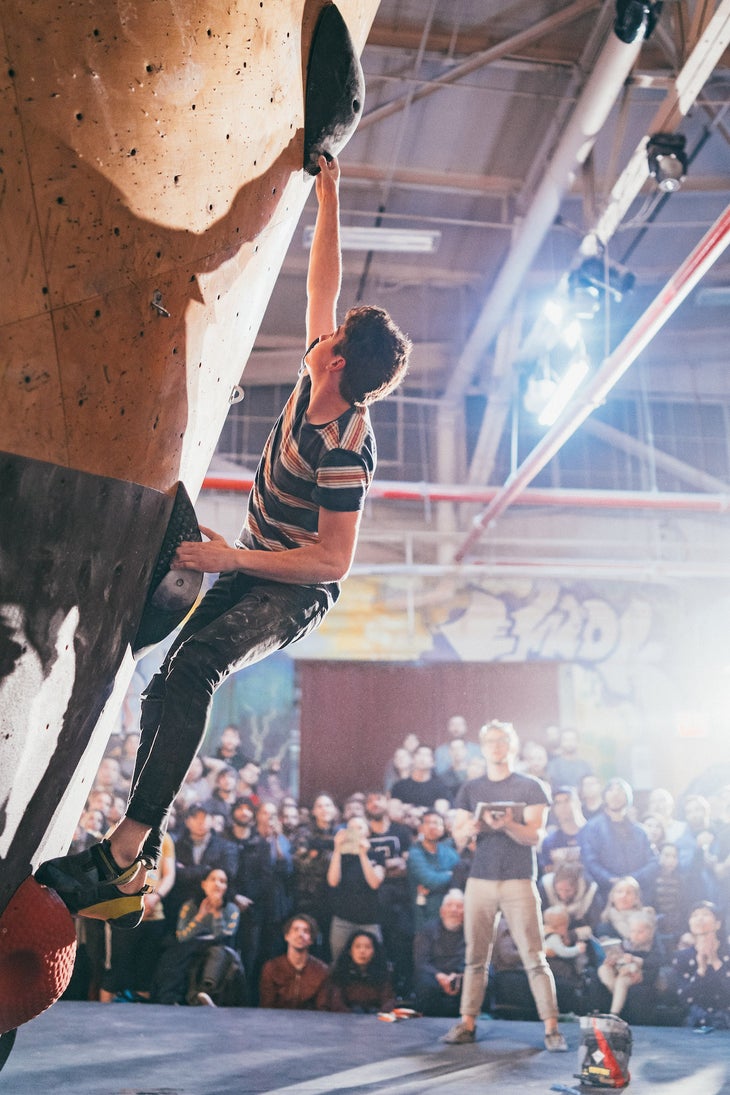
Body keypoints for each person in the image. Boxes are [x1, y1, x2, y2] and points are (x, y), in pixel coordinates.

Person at [35, 153, 412, 928]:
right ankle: (134, 861)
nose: (323, 329)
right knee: (163, 681)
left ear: (339, 362)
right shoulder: (321, 368)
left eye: (333, 335)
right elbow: (322, 281)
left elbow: (331, 560)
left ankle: (123, 850)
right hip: (252, 562)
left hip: (294, 588)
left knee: (197, 663)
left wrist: (229, 556)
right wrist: (329, 192)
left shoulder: (345, 443)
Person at [444, 720, 567, 1052]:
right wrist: (472, 826)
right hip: (480, 878)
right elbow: (457, 838)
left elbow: (535, 835)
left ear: (511, 746)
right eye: (490, 742)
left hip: (517, 879)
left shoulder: (531, 786)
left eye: (502, 741)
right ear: (482, 748)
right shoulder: (470, 789)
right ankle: (467, 1022)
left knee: (533, 955)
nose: (496, 747)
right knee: (475, 956)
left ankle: (552, 1027)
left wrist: (509, 823)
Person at [578, 777, 658, 905]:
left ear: (628, 797)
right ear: (604, 796)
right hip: (604, 895)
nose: (615, 794)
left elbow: (653, 861)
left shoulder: (640, 831)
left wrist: (632, 879)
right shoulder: (592, 828)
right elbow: (590, 862)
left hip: (638, 895)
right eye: (611, 790)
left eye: (620, 790)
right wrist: (611, 880)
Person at [327, 815, 385, 960]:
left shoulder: (376, 855)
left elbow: (375, 883)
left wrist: (363, 855)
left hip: (370, 919)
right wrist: (337, 849)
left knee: (374, 961)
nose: (355, 831)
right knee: (338, 961)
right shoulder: (341, 856)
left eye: (359, 827)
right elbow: (333, 881)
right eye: (351, 828)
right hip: (343, 919)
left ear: (368, 832)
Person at [673, 901, 730, 1029]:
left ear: (717, 923)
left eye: (705, 914)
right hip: (696, 1021)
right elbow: (684, 998)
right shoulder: (683, 956)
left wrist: (716, 962)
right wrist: (701, 970)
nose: (699, 919)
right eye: (694, 915)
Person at [413, 889, 466, 1017]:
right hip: (434, 975)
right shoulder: (427, 930)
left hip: (460, 975)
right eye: (449, 905)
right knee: (424, 981)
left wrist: (458, 976)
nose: (454, 910)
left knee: (481, 978)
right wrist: (439, 975)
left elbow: (475, 959)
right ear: (442, 911)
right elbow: (421, 961)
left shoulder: (472, 932)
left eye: (459, 906)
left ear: (465, 913)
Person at [258, 913, 328, 1009]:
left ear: (311, 940)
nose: (300, 934)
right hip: (277, 1021)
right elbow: (266, 1006)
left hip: (310, 1021)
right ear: (286, 936)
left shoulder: (321, 970)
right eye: (295, 930)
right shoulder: (271, 968)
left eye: (306, 931)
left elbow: (322, 1009)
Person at [317, 930, 396, 1013]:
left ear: (374, 952)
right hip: (344, 1020)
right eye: (357, 947)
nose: (362, 951)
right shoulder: (339, 972)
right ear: (350, 951)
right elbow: (336, 1003)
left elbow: (388, 1001)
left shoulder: (382, 973)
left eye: (367, 947)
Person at [407, 809, 460, 930]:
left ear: (443, 828)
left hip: (450, 913)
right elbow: (429, 880)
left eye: (436, 823)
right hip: (424, 915)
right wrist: (451, 875)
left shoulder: (449, 852)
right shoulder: (415, 853)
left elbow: (461, 877)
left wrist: (441, 879)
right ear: (420, 828)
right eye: (427, 822)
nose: (432, 826)